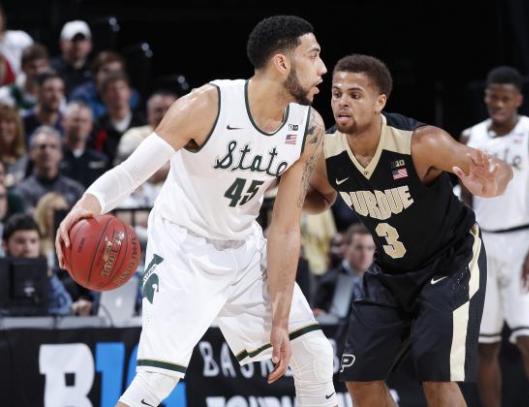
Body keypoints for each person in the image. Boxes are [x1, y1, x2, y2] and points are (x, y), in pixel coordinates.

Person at [56, 15, 337, 407]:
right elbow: (134, 171)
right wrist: (87, 204)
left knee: (316, 357)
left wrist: (279, 319)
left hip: (243, 247)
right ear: (282, 63)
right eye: (314, 55)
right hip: (182, 248)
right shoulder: (208, 105)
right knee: (156, 380)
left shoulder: (308, 127)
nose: (324, 68)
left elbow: (286, 229)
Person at [307, 54, 513, 407]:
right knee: (359, 379)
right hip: (390, 268)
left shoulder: (420, 142)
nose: (342, 101)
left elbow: (496, 168)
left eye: (355, 95)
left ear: (379, 102)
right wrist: (289, 194)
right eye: (337, 93)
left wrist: (495, 183)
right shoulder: (327, 151)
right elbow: (320, 198)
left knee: (436, 378)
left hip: (449, 262)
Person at [461, 66, 529, 407]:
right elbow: (465, 200)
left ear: (518, 99)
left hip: (521, 243)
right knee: (486, 345)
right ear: (485, 96)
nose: (498, 104)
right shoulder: (470, 137)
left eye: (505, 98)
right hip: (483, 243)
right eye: (493, 96)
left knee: (527, 338)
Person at [2, 213, 72, 315]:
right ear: (5, 245)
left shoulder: (48, 274)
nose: (28, 248)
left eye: (33, 241)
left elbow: (65, 308)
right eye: (20, 241)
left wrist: (49, 277)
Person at [14, 126, 84, 210]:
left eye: (53, 146)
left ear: (60, 154)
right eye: (42, 147)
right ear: (31, 153)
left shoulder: (76, 190)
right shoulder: (21, 193)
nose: (47, 151)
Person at [313, 223, 374, 319]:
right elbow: (333, 320)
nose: (365, 254)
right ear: (346, 248)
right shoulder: (331, 281)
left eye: (370, 248)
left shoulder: (378, 280)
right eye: (359, 248)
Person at [51, 20, 93, 95]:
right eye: (73, 40)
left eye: (81, 39)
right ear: (61, 43)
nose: (77, 44)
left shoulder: (95, 69)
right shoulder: (51, 69)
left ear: (90, 44)